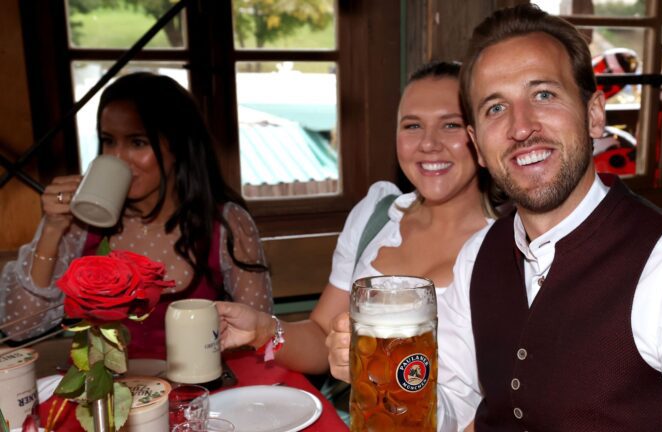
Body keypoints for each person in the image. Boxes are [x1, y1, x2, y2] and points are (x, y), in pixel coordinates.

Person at [439, 4, 662, 431]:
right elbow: (452, 404)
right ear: (478, 145)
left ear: (594, 114)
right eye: (496, 109)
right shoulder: (476, 257)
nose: (521, 127)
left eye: (543, 95)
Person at [215, 61, 498, 429]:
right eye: (412, 125)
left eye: (451, 125)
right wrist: (263, 330)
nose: (429, 143)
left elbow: (510, 406)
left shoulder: (511, 251)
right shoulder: (377, 217)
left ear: (480, 135)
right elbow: (322, 336)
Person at [0, 72, 271, 356]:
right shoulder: (80, 224)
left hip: (197, 381)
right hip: (104, 384)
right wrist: (52, 229)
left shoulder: (226, 224)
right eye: (108, 141)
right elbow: (20, 329)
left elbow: (258, 335)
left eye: (137, 143)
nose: (118, 157)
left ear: (177, 146)